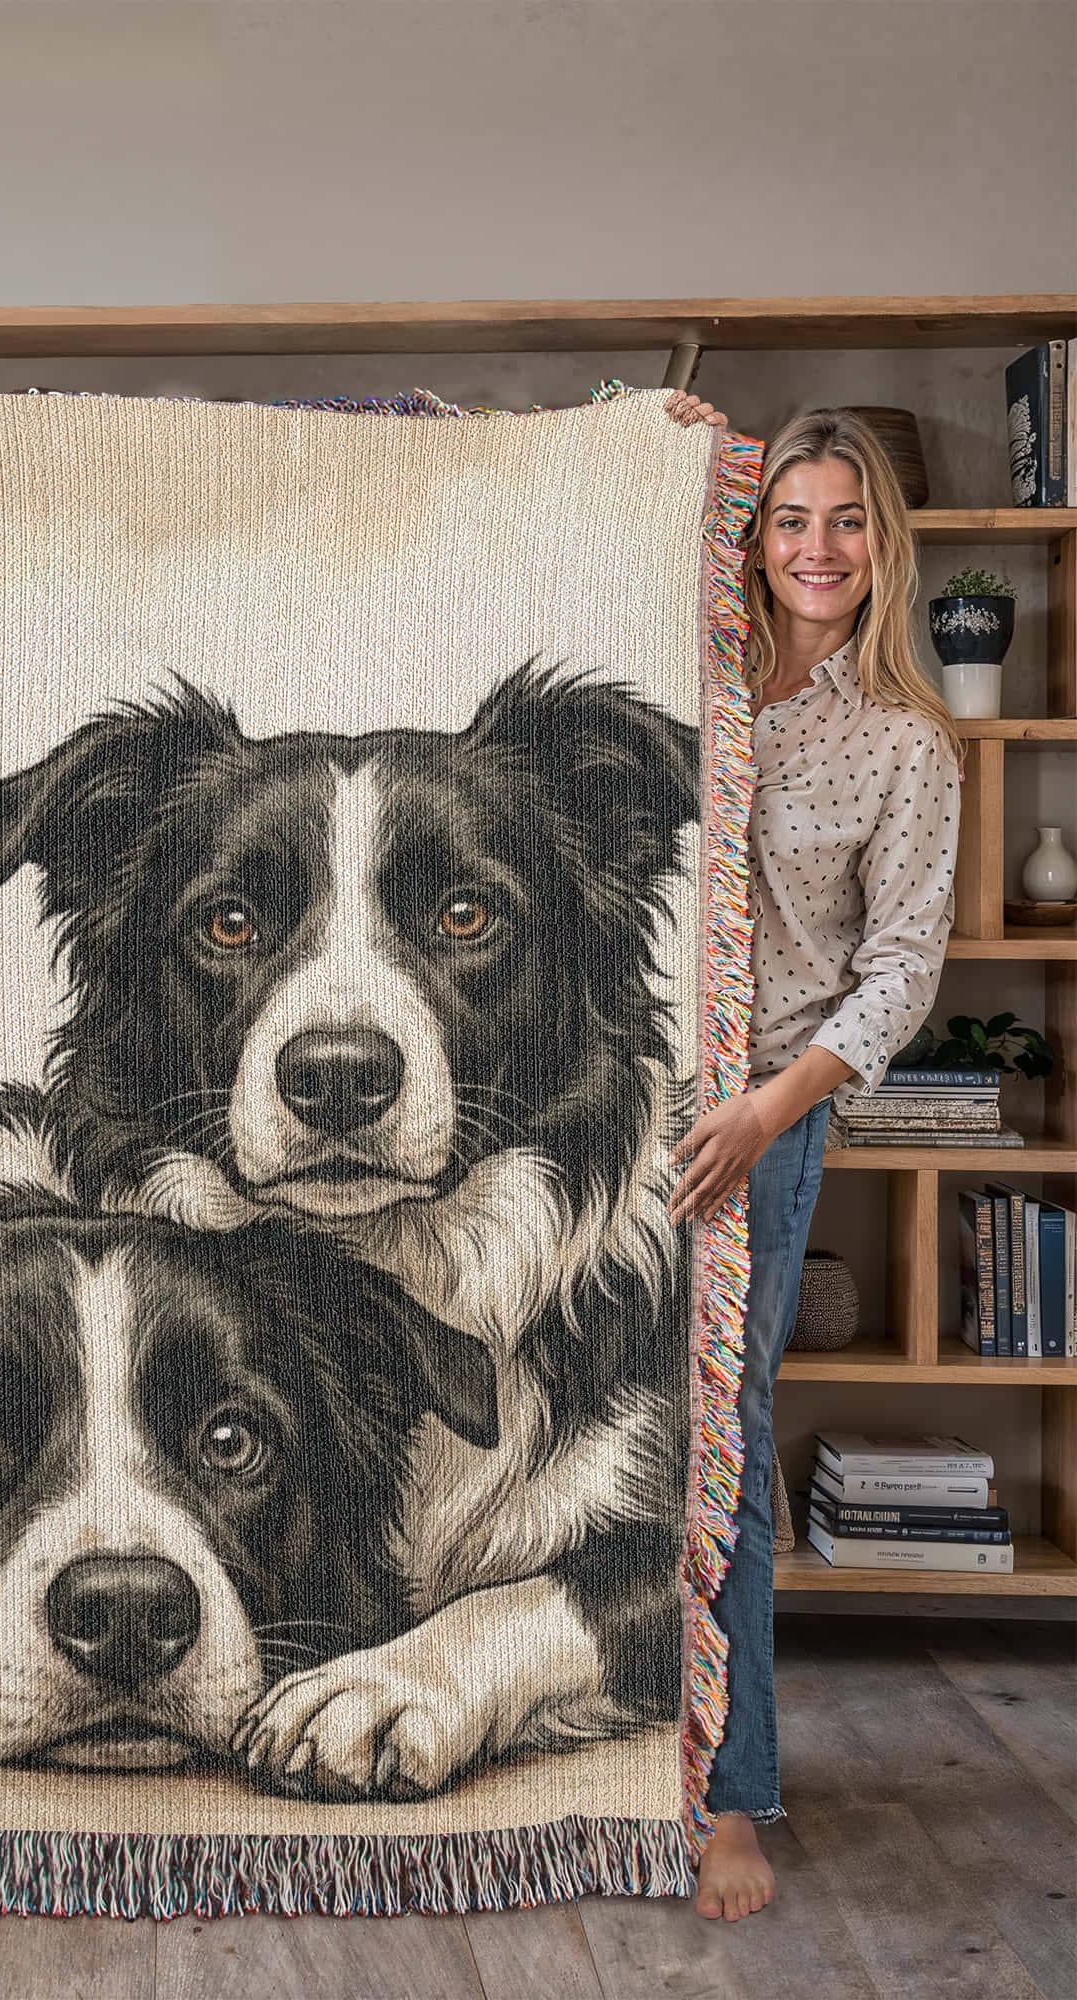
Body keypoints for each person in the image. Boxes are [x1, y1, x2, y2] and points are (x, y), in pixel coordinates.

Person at [662, 396, 962, 1920]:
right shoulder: (686, 677)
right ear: (752, 535)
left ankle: (730, 1792)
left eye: (847, 521)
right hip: (625, 1102)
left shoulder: (903, 738)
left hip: (762, 1125)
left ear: (881, 544)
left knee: (724, 1433)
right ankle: (583, 1756)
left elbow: (901, 969)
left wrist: (769, 1112)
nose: (819, 548)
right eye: (793, 519)